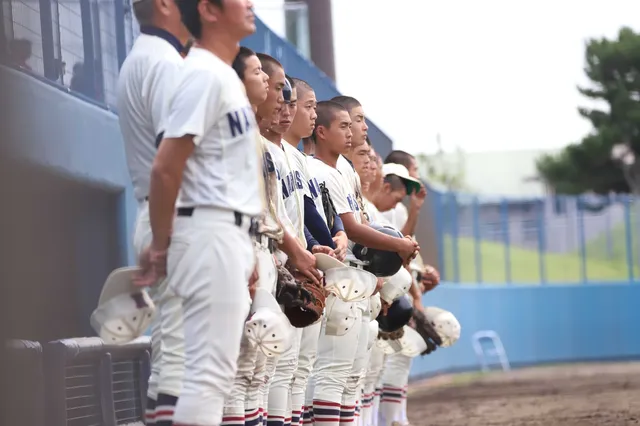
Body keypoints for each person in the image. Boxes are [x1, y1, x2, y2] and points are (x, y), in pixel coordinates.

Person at [141, 1, 263, 425]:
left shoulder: (220, 76)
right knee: (208, 377)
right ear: (208, 10)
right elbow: (165, 167)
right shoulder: (202, 74)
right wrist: (160, 243)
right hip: (209, 227)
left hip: (226, 231)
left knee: (213, 376)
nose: (250, 4)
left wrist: (244, 248)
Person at [308, 101, 419, 426]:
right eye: (351, 122)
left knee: (351, 376)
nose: (360, 128)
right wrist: (399, 244)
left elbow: (350, 229)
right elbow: (354, 230)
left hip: (355, 281)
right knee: (314, 372)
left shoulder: (339, 169)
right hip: (334, 276)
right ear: (323, 130)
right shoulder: (320, 168)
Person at [115, 0, 190, 423]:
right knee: (183, 360)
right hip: (174, 216)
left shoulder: (140, 58)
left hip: (159, 215)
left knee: (171, 354)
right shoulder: (164, 62)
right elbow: (172, 159)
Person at [282, 77, 350, 426]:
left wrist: (333, 239)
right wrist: (313, 246)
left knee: (300, 364)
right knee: (276, 366)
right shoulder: (279, 153)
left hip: (306, 261)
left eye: (307, 105)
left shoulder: (297, 160)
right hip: (283, 261)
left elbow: (315, 211)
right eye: (304, 105)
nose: (303, 112)